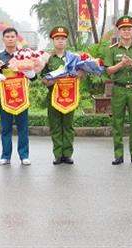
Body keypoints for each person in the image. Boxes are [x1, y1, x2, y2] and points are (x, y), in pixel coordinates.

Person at [103, 16, 132, 165]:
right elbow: (108, 71)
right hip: (119, 90)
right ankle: (118, 154)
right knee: (117, 123)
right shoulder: (112, 50)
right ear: (119, 31)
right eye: (124, 29)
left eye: (129, 29)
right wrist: (121, 64)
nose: (127, 32)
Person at [0, 27, 34, 166]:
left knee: (23, 127)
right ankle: (5, 156)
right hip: (5, 98)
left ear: (17, 38)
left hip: (21, 97)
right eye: (7, 37)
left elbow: (34, 76)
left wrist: (30, 73)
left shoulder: (24, 56)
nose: (10, 39)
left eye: (12, 36)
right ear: (3, 40)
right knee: (6, 128)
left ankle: (24, 155)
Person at [42, 27, 79, 165]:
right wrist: (53, 80)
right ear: (53, 41)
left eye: (62, 39)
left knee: (68, 127)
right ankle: (58, 154)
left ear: (66, 41)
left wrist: (77, 74)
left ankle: (67, 154)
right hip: (53, 97)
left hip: (70, 97)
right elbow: (43, 80)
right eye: (57, 39)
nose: (60, 41)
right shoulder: (47, 59)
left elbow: (82, 74)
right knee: (55, 126)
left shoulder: (73, 58)